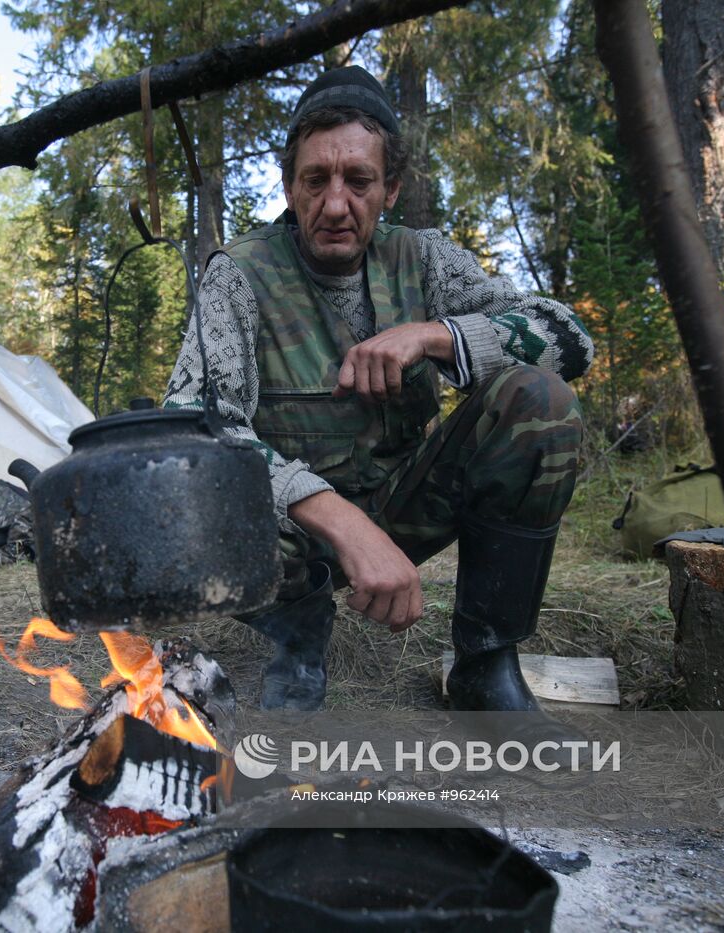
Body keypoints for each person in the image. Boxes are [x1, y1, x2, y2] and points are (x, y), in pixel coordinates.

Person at [161, 66, 594, 737]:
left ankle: (484, 667)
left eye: (358, 181)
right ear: (289, 185)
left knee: (539, 400)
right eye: (316, 180)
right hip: (284, 538)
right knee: (189, 492)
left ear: (390, 188)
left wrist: (436, 336)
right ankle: (296, 632)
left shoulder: (426, 262)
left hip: (401, 506)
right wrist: (340, 520)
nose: (336, 205)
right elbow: (196, 427)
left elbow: (570, 340)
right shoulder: (240, 274)